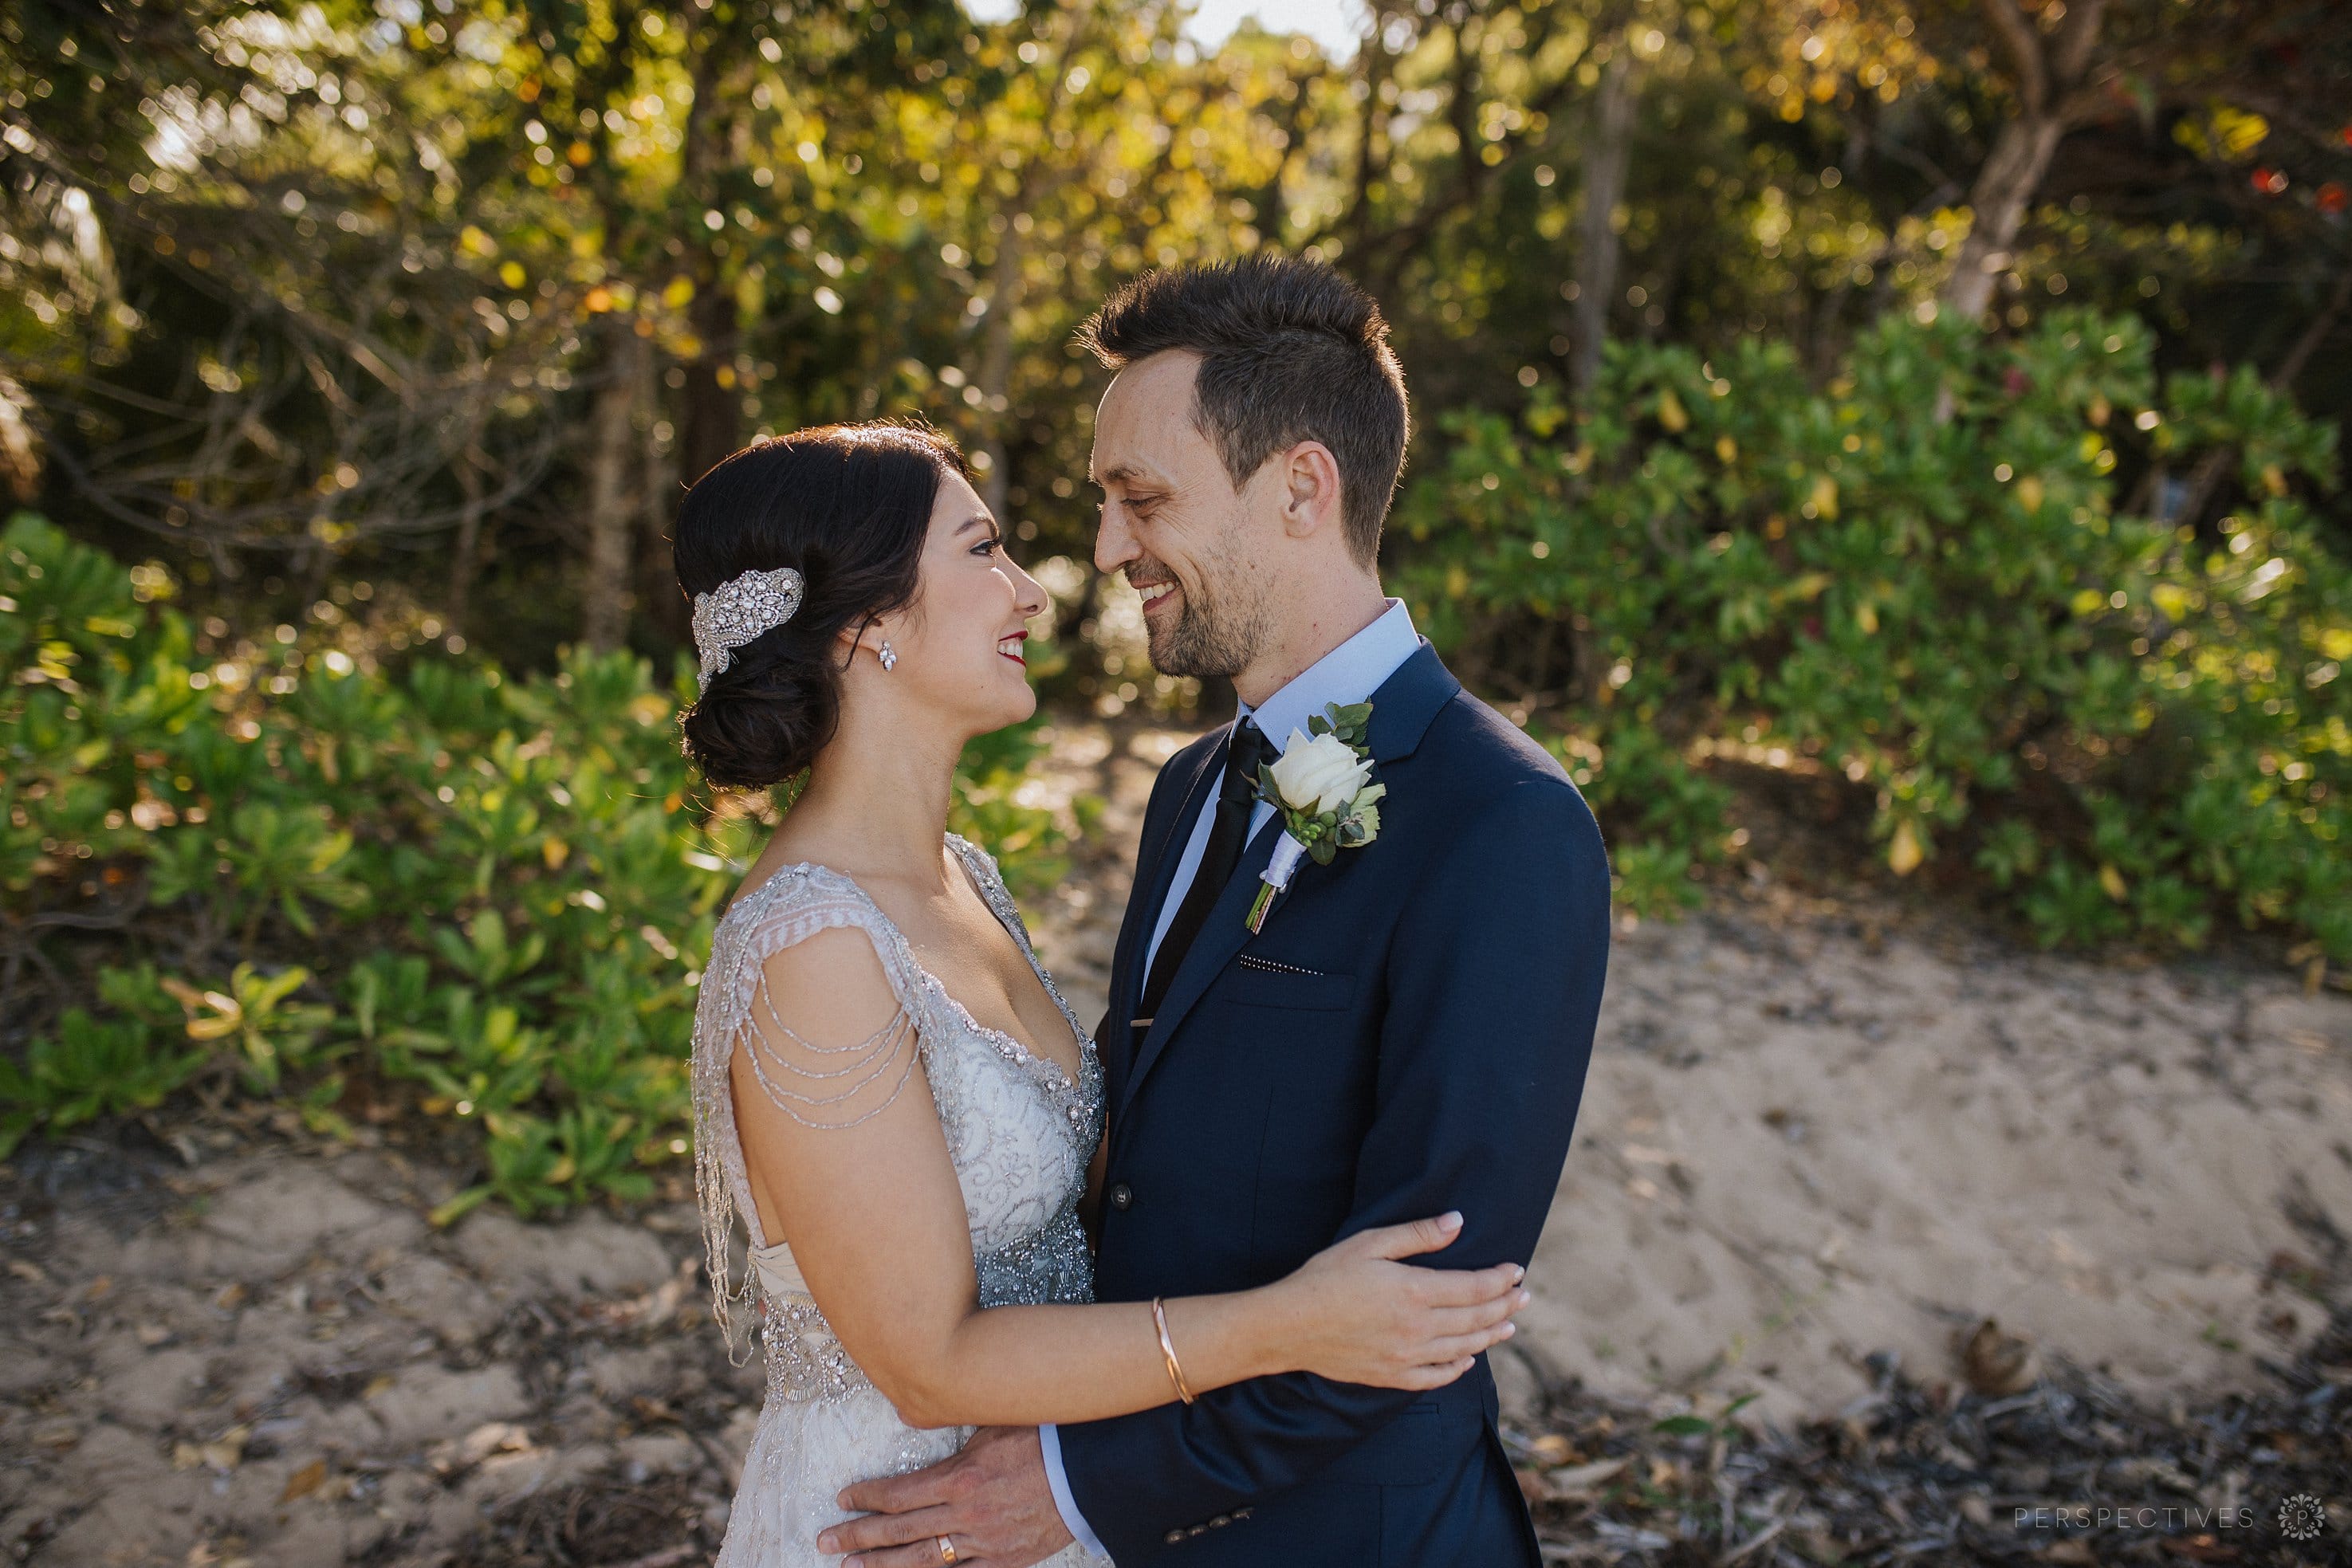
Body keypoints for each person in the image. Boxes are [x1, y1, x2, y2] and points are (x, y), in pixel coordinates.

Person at [816, 257, 1611, 1566]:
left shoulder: (1503, 824)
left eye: (1142, 499)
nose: (1107, 549)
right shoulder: (1190, 789)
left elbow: (1421, 1298)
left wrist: (1084, 1490)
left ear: (1301, 486)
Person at [675, 420, 1533, 1568]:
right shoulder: (812, 944)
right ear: (868, 620)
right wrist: (1296, 1323)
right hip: (900, 1518)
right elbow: (926, 1362)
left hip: (1042, 1505)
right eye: (982, 552)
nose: (1031, 592)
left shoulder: (960, 879)